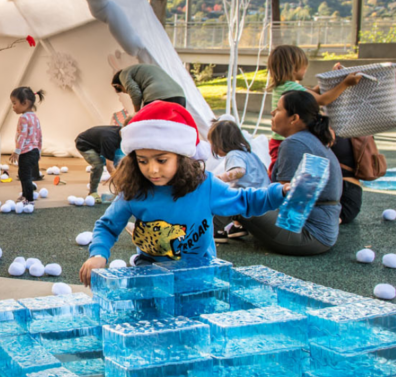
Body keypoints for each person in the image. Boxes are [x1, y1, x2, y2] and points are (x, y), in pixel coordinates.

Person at [79, 101, 287, 286]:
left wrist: (280, 192)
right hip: (151, 273)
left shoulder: (205, 186)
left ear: (182, 157)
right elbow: (108, 224)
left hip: (200, 273)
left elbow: (246, 201)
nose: (152, 170)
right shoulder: (134, 191)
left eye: (161, 160)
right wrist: (98, 254)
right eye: (143, 161)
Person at [237, 90, 342, 256]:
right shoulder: (311, 139)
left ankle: (195, 238)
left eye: (278, 110)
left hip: (305, 233)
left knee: (236, 199)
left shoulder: (295, 143)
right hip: (321, 232)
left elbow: (280, 197)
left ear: (294, 119)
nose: (272, 113)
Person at [266, 45, 362, 174]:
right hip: (285, 140)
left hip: (280, 139)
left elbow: (315, 91)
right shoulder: (291, 87)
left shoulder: (285, 86)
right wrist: (345, 84)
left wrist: (333, 76)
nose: (306, 69)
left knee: (281, 168)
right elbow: (323, 99)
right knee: (283, 171)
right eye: (304, 65)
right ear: (294, 67)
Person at [207, 117, 271, 243]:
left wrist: (219, 178)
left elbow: (240, 171)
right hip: (263, 195)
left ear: (220, 143)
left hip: (251, 197)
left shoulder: (234, 154)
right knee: (236, 192)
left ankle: (217, 230)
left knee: (223, 200)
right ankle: (238, 226)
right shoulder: (249, 153)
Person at [8, 86, 44, 204]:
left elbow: (22, 136)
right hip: (34, 151)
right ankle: (25, 195)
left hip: (26, 152)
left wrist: (17, 151)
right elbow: (39, 135)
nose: (13, 106)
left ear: (24, 103)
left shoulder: (23, 118)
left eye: (14, 103)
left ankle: (29, 199)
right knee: (24, 174)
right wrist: (39, 151)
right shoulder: (35, 117)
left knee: (25, 176)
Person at [75, 125, 123, 203]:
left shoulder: (124, 135)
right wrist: (121, 184)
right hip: (84, 144)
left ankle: (120, 191)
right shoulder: (110, 139)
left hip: (98, 143)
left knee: (119, 161)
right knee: (98, 165)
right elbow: (110, 167)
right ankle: (92, 192)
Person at [111, 64, 186, 112]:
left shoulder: (123, 74)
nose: (127, 92)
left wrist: (137, 113)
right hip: (179, 96)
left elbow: (135, 93)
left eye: (124, 91)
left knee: (150, 126)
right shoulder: (142, 68)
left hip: (158, 96)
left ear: (118, 85)